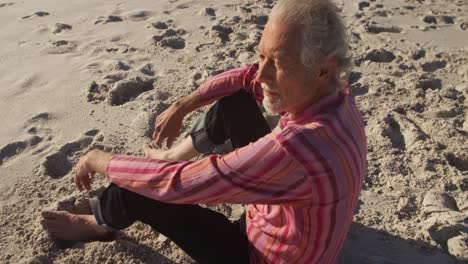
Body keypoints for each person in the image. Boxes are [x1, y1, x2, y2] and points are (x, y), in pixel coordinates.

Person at [41, 0, 367, 263]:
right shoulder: (339, 97)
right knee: (235, 104)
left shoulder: (297, 147)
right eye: (261, 55)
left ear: (324, 68)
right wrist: (183, 105)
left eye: (279, 64)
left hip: (260, 255)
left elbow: (177, 185)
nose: (262, 74)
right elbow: (245, 79)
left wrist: (98, 159)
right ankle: (169, 155)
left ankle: (100, 223)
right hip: (292, 222)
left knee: (140, 186)